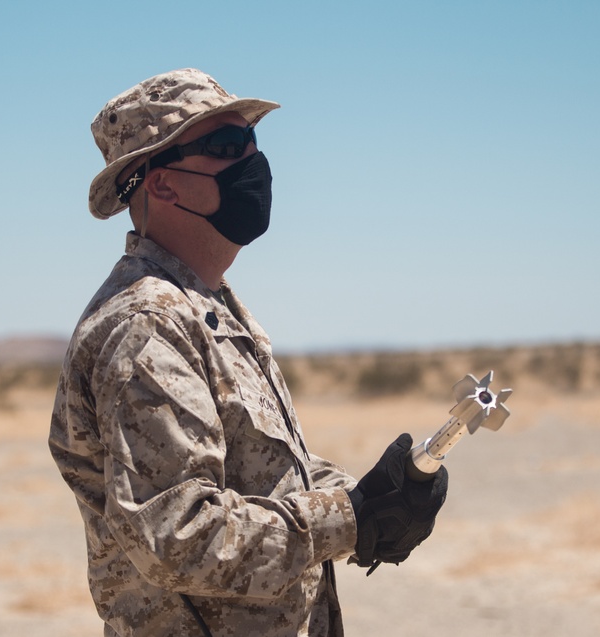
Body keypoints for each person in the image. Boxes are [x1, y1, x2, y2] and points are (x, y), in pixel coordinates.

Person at [49, 68, 449, 637]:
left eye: (253, 142)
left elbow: (259, 476)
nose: (253, 162)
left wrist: (371, 498)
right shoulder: (146, 328)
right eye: (225, 146)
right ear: (161, 184)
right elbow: (178, 533)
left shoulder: (205, 305)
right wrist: (347, 521)